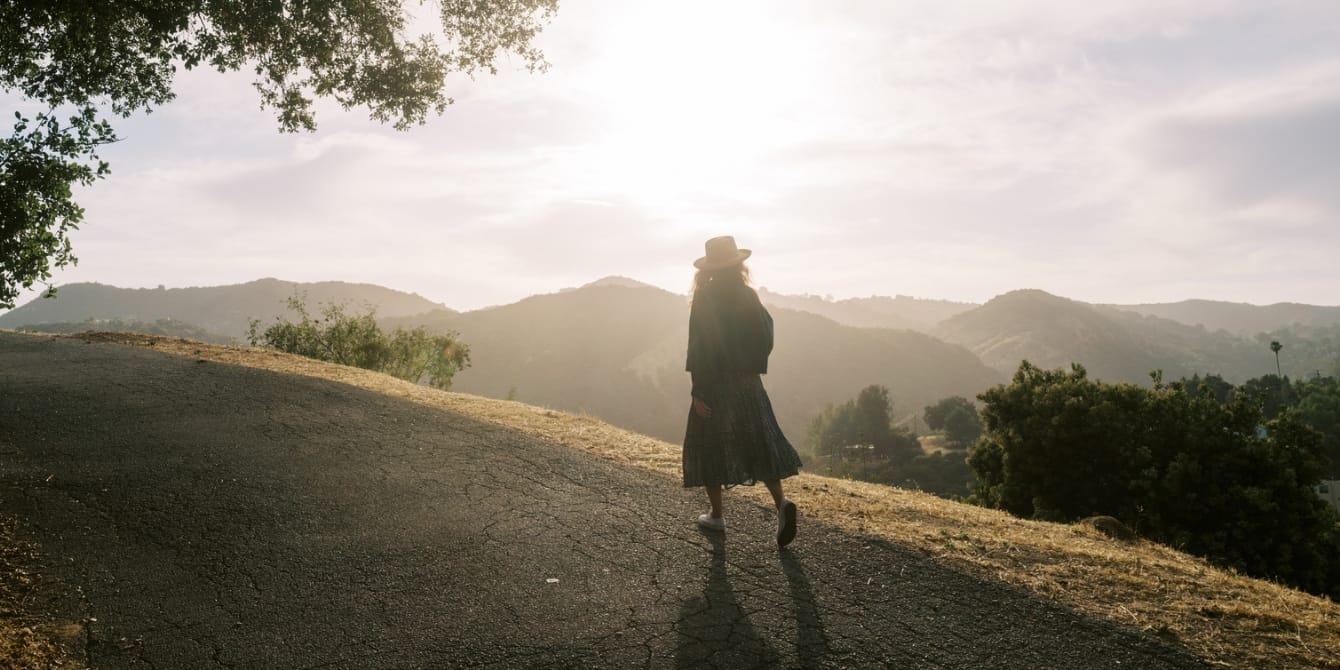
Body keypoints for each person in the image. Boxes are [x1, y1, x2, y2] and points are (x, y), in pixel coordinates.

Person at [683, 235, 804, 547]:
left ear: (708, 269)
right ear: (738, 265)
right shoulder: (748, 295)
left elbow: (700, 346)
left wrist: (698, 391)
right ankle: (781, 503)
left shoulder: (705, 297)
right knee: (759, 442)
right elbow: (766, 335)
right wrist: (750, 367)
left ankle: (717, 515)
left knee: (708, 443)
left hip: (715, 382)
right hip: (748, 382)